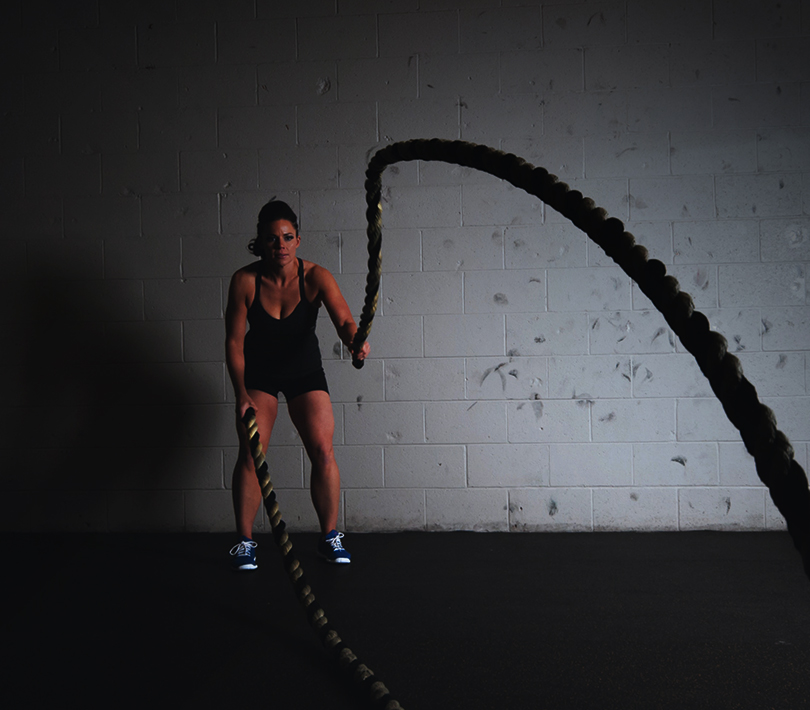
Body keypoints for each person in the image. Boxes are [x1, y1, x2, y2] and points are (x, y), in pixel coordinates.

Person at [224, 199, 369, 571]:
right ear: (261, 241)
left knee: (323, 450)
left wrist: (355, 341)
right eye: (273, 239)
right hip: (260, 374)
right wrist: (241, 393)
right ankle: (244, 541)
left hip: (304, 372)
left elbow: (344, 321)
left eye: (288, 237)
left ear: (298, 240)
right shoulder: (244, 280)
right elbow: (235, 342)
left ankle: (329, 536)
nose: (281, 245)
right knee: (251, 453)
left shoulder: (316, 276)